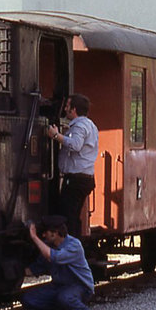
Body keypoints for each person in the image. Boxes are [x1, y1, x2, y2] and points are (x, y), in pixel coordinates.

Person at [21, 215, 95, 310]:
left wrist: (34, 237)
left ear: (54, 233)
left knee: (65, 297)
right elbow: (34, 269)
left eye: (45, 233)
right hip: (59, 285)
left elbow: (53, 257)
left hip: (79, 286)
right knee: (29, 299)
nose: (43, 236)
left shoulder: (74, 245)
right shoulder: (49, 247)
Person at [47, 93, 99, 237]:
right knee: (73, 216)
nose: (65, 109)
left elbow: (76, 145)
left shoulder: (80, 126)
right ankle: (74, 248)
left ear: (74, 109)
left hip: (76, 180)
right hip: (84, 178)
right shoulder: (90, 125)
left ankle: (71, 250)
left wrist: (56, 135)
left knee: (67, 217)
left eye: (67, 106)